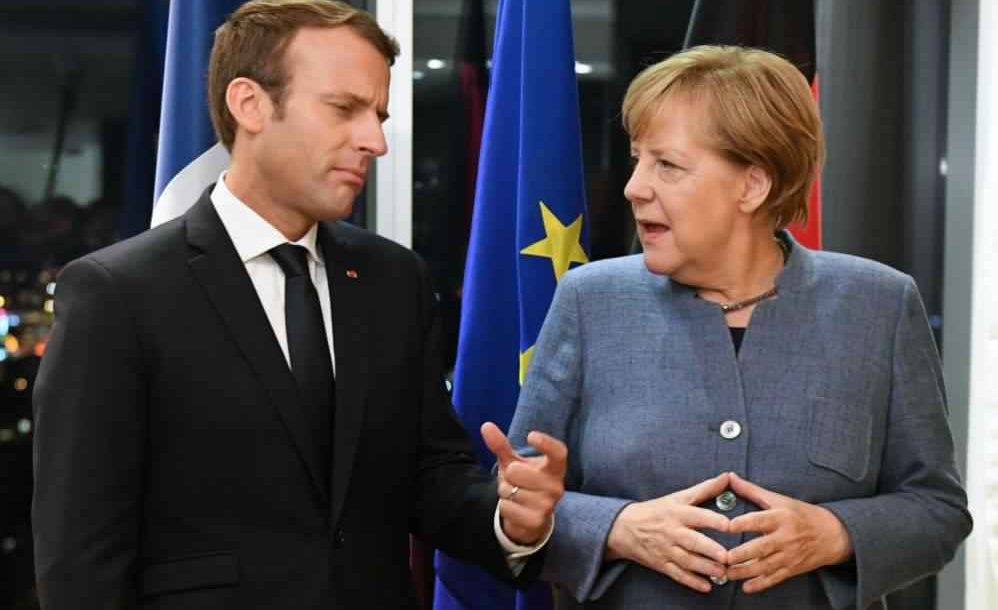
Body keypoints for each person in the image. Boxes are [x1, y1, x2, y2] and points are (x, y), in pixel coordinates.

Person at [31, 2, 566, 608]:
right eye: (344, 109)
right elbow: (81, 561)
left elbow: (429, 477)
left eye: (378, 116)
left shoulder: (395, 280)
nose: (374, 141)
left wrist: (510, 518)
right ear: (249, 104)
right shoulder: (118, 294)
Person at [508, 45, 971, 610]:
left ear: (752, 186)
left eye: (667, 165)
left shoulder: (880, 305)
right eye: (637, 160)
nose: (634, 187)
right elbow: (520, 505)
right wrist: (617, 527)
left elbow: (938, 510)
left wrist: (835, 534)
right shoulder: (589, 301)